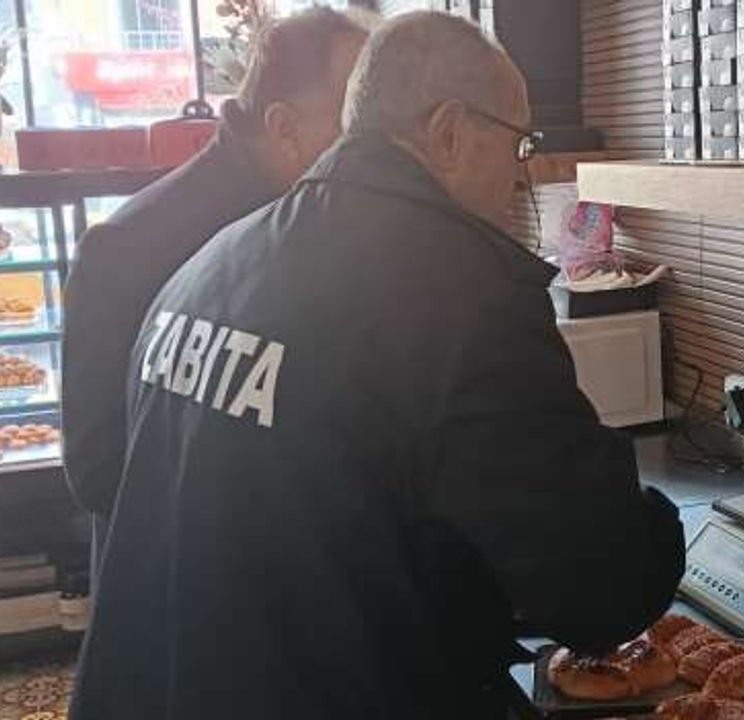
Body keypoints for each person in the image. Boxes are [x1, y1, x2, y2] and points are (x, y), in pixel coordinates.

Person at [70, 11, 686, 720]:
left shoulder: (215, 263)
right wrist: (655, 528)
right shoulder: (458, 291)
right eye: (518, 145)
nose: (521, 180)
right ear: (450, 132)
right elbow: (600, 589)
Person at [61, 8, 371, 560]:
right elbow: (99, 471)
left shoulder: (331, 228)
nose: (378, 154)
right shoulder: (127, 248)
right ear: (284, 128)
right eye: (359, 126)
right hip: (184, 583)